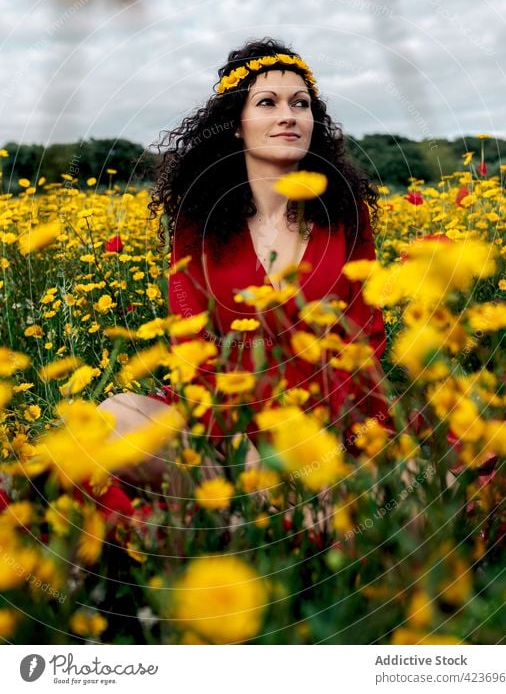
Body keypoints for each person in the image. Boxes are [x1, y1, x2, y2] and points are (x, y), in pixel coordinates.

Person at [102, 37, 387, 485]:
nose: (288, 115)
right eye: (267, 103)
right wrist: (244, 449)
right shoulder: (198, 225)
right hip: (224, 423)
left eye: (301, 103)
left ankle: (241, 509)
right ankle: (251, 499)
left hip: (328, 418)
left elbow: (367, 332)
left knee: (425, 486)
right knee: (112, 417)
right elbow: (193, 347)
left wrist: (330, 434)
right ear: (236, 124)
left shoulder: (347, 214)